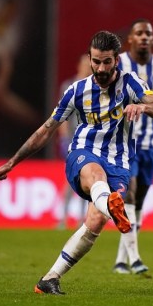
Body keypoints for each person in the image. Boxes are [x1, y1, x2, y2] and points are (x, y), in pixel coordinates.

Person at [0, 30, 153, 295]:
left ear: (116, 60)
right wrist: (13, 161)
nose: (101, 68)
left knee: (96, 221)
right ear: (90, 59)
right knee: (96, 175)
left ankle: (49, 279)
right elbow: (46, 130)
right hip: (83, 154)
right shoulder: (76, 91)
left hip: (119, 163)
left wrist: (142, 107)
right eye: (96, 61)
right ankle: (111, 205)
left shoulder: (131, 83)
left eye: (107, 62)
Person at [112, 18, 153, 276]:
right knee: (128, 194)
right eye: (139, 33)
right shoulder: (118, 64)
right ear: (130, 39)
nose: (144, 37)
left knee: (137, 203)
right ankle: (136, 259)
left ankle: (120, 260)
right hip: (125, 142)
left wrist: (145, 107)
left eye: (148, 34)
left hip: (151, 144)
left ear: (152, 39)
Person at [55, 54, 93, 229]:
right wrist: (64, 138)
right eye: (85, 64)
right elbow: (62, 115)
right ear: (79, 66)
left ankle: (81, 219)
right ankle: (63, 218)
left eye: (89, 65)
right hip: (73, 140)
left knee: (87, 180)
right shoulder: (69, 86)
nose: (87, 68)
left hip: (90, 140)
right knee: (71, 179)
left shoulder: (95, 87)